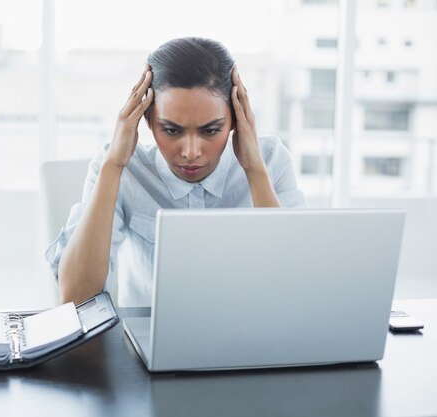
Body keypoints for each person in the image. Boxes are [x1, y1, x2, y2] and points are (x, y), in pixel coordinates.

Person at [45, 37, 305, 307]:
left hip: (254, 341)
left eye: (210, 130)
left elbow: (293, 286)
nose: (191, 152)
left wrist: (254, 170)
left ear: (235, 120)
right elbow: (76, 297)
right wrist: (113, 167)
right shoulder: (122, 169)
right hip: (147, 345)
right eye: (171, 130)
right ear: (145, 119)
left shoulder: (271, 160)